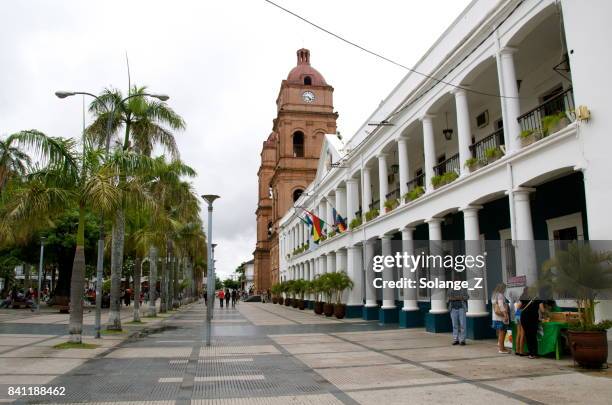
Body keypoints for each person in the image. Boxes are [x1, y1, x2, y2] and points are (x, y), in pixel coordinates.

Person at [519, 290, 544, 359]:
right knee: (533, 335)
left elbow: (518, 307)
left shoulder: (524, 297)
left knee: (528, 335)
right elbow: (542, 310)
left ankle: (531, 353)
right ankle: (534, 353)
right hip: (533, 318)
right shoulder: (538, 298)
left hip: (524, 318)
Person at [491, 283, 510, 354]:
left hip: (495, 317)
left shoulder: (494, 295)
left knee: (500, 332)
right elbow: (501, 306)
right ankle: (501, 349)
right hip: (501, 317)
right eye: (504, 288)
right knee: (502, 332)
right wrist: (505, 315)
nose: (505, 290)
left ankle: (501, 347)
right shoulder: (500, 295)